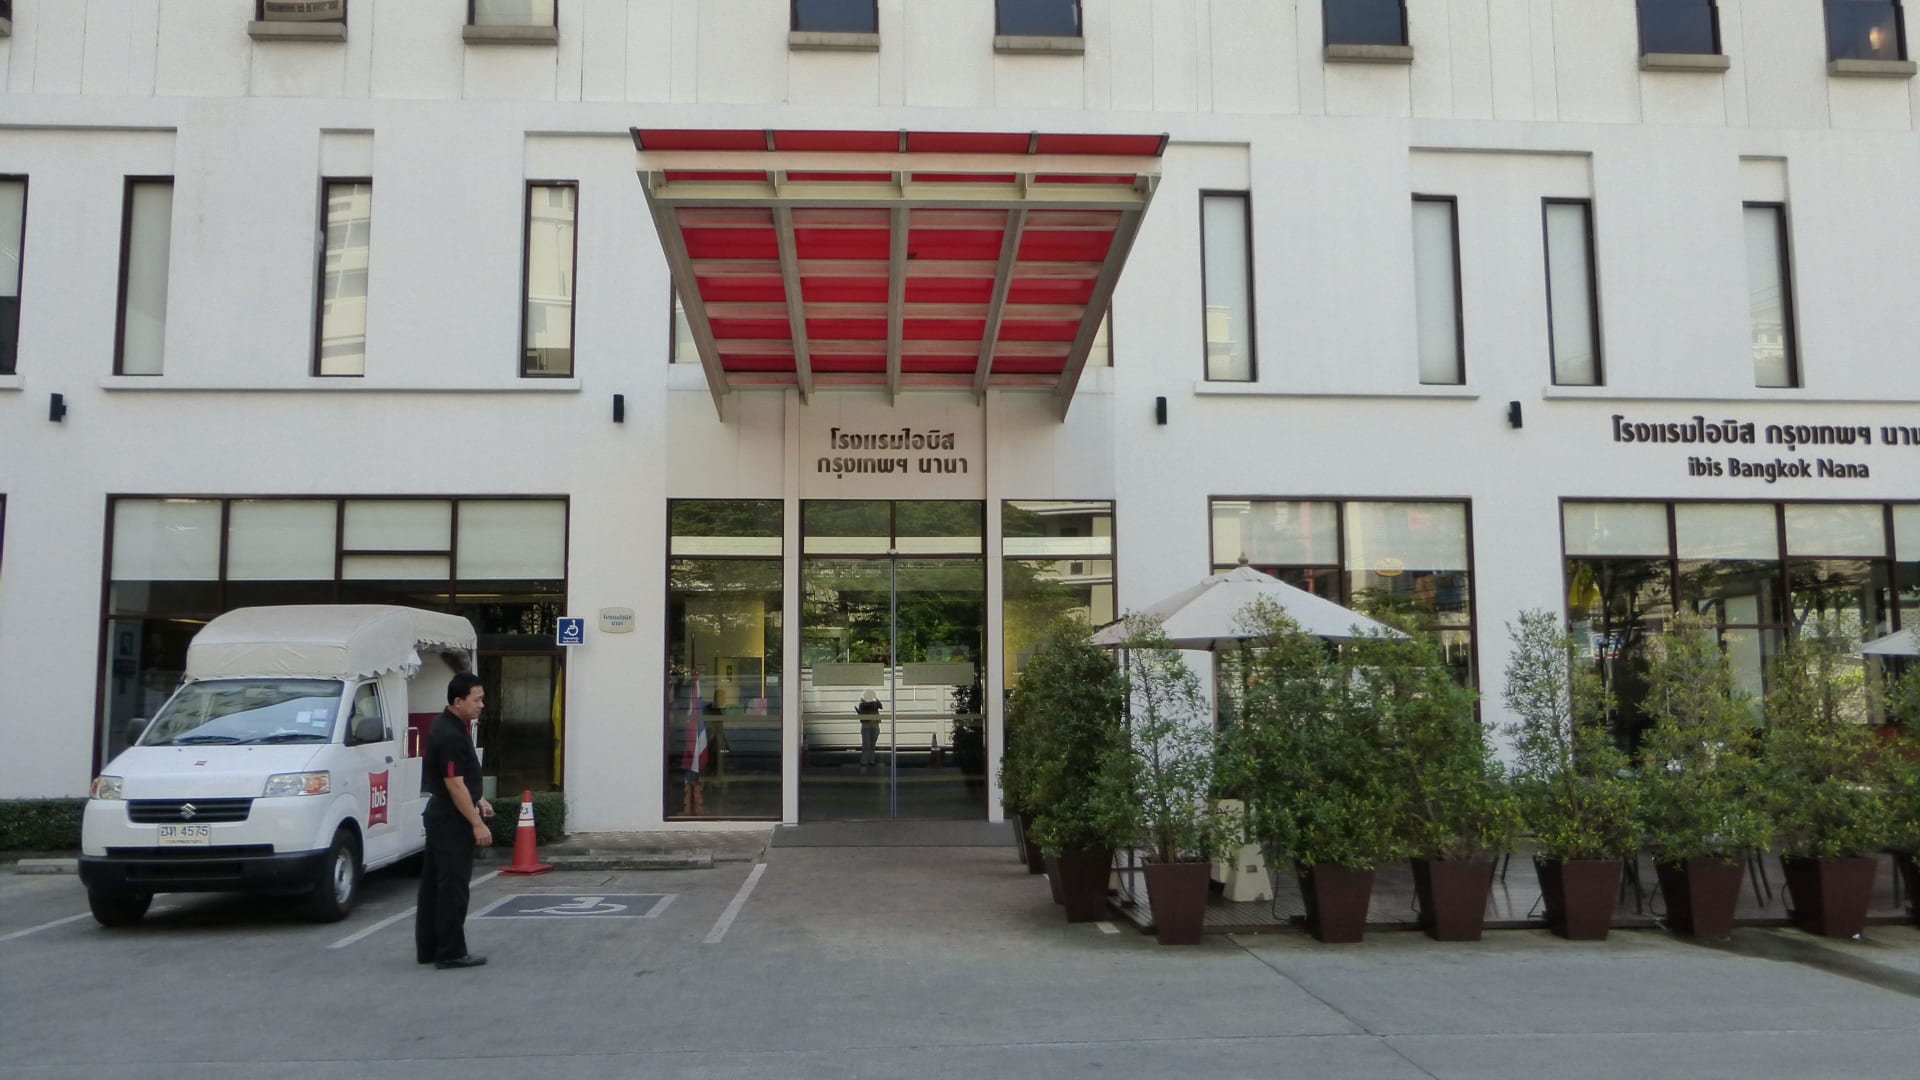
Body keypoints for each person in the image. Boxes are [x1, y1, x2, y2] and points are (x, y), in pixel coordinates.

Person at [416, 672, 493, 970]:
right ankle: (451, 952)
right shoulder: (448, 733)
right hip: (450, 820)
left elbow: (461, 782)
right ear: (458, 701)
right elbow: (454, 783)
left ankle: (430, 947)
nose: (481, 705)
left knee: (434, 886)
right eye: (476, 700)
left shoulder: (452, 725)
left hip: (444, 814)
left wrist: (478, 798)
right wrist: (476, 823)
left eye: (482, 699)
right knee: (453, 887)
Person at [855, 690, 883, 769]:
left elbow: (880, 706)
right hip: (866, 725)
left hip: (874, 725)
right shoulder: (863, 704)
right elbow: (866, 708)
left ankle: (870, 760)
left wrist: (876, 698)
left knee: (872, 744)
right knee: (866, 744)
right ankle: (865, 761)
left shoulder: (874, 703)